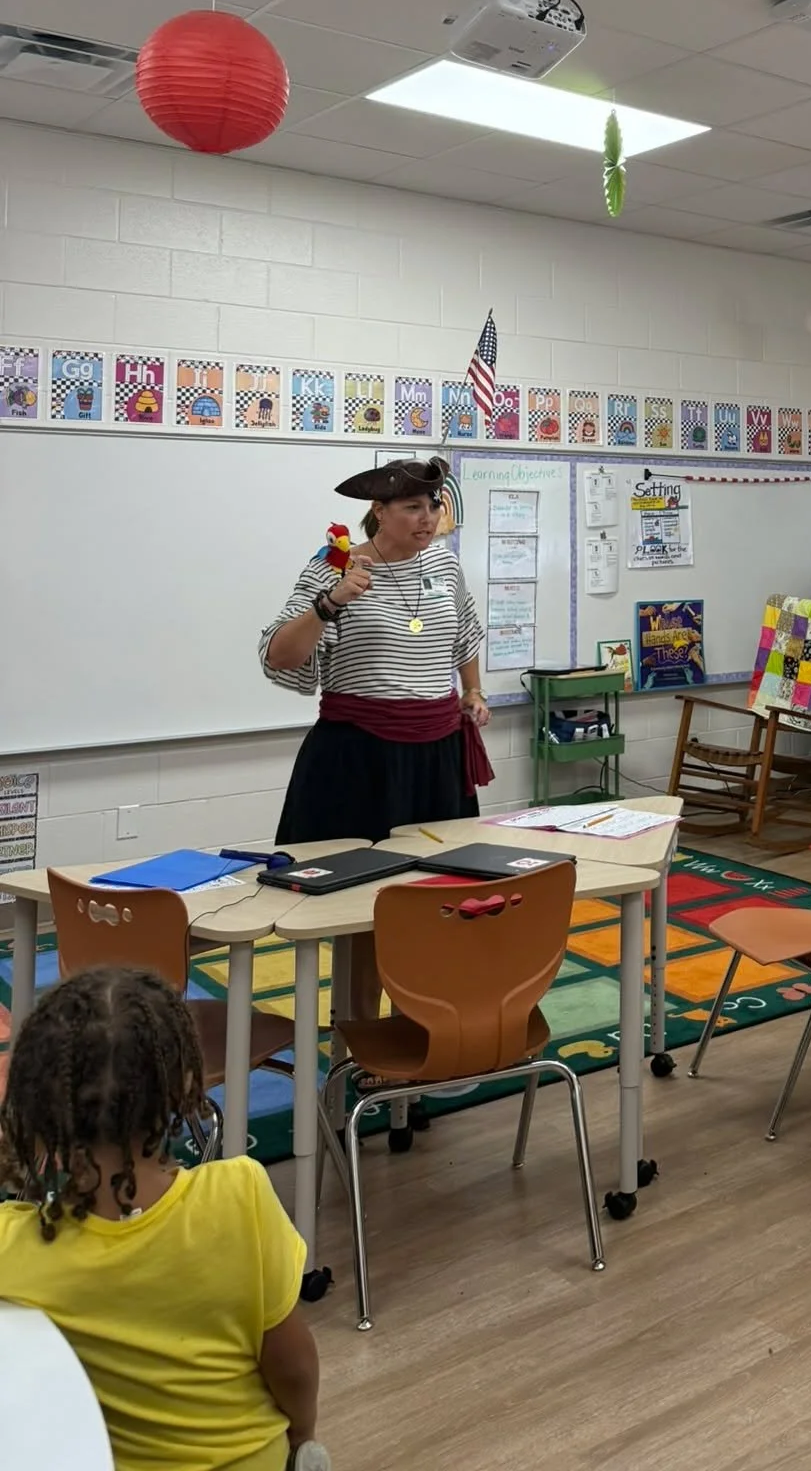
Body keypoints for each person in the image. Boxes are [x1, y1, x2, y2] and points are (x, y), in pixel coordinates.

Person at [0, 966, 326, 1471]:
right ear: (186, 1085)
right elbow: (294, 1367)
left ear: (34, 1106)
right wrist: (302, 1435)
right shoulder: (240, 1195)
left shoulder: (13, 1247)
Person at [260, 455, 493, 846]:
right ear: (379, 512)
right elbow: (280, 656)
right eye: (413, 507)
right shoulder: (334, 568)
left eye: (433, 505)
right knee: (349, 869)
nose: (427, 518)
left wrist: (472, 690)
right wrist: (330, 603)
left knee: (441, 867)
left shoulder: (445, 564)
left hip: (439, 751)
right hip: (359, 752)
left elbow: (464, 634)